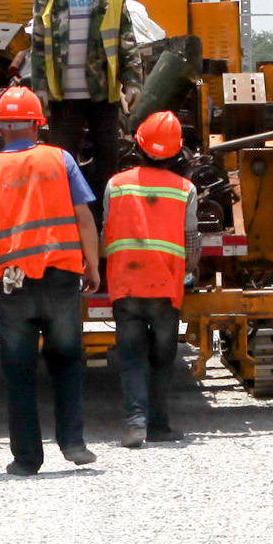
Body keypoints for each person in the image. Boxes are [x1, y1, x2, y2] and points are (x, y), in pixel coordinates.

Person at [0, 85, 102, 474]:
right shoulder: (61, 160)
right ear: (39, 125)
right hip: (61, 278)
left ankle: (26, 459)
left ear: (2, 128)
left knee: (19, 372)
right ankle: (73, 442)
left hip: (16, 283)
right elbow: (84, 216)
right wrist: (92, 265)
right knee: (67, 362)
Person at [102, 110, 199, 446]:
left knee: (130, 357)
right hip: (166, 289)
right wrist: (190, 271)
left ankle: (135, 425)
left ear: (138, 145)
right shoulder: (186, 189)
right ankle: (160, 427)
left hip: (125, 286)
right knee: (162, 358)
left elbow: (105, 233)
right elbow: (190, 243)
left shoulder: (116, 184)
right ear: (178, 152)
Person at [25, 0, 131, 198]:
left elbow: (125, 36)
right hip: (63, 96)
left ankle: (106, 228)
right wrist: (40, 89)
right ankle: (64, 228)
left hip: (103, 94)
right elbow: (39, 42)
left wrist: (132, 82)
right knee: (59, 166)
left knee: (108, 168)